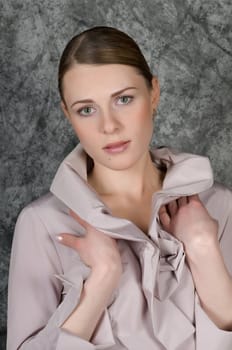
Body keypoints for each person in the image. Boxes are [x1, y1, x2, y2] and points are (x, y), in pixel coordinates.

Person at [7, 26, 232, 350]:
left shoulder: (218, 205)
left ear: (153, 93)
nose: (108, 125)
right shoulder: (42, 224)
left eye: (124, 99)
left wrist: (204, 250)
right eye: (87, 109)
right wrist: (100, 282)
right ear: (68, 114)